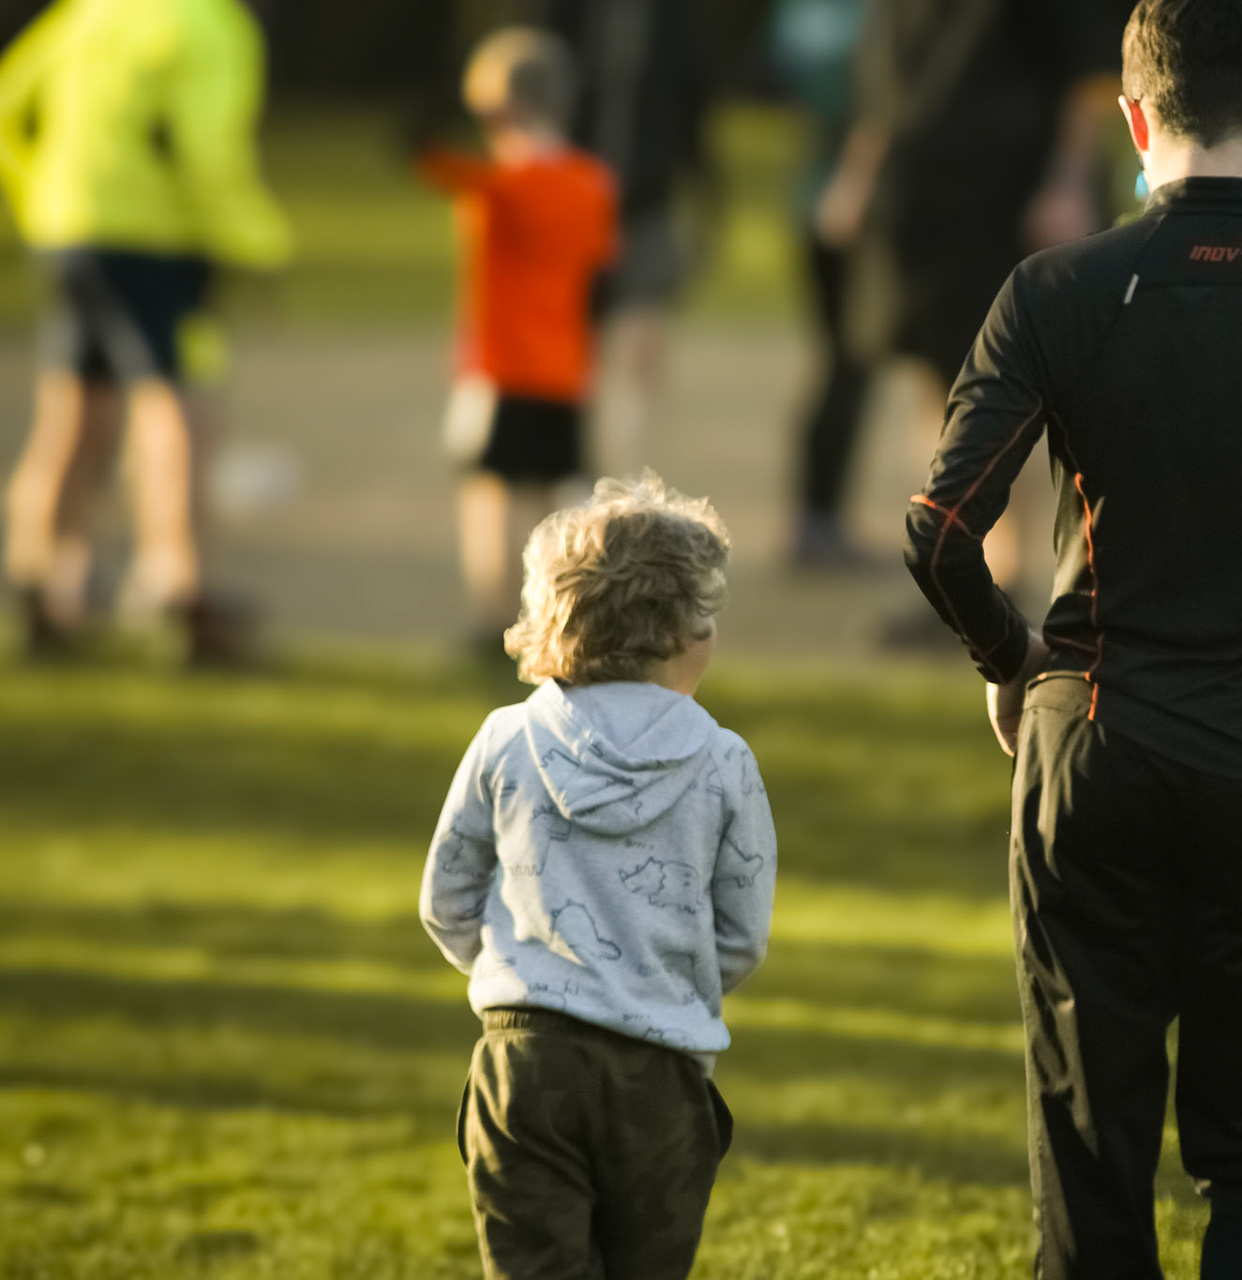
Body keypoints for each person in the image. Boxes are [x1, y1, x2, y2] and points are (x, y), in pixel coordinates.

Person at [903, 1, 1242, 1273]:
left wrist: (1011, 660)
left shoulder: (1057, 290)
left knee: (1091, 1157)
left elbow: (939, 532)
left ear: (1134, 116)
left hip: (1093, 747)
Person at [421, 471, 775, 1280]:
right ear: (680, 634)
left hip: (525, 1063)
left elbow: (445, 900)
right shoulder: (724, 762)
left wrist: (525, 973)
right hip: (661, 1076)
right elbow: (742, 934)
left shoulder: (505, 739)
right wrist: (661, 984)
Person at [0, 0, 292, 663]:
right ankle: (181, 591)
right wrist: (256, 239)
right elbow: (207, 147)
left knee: (76, 408)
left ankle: (42, 581)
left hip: (68, 229)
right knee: (180, 411)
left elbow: (10, 104)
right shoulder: (210, 23)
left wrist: (40, 197)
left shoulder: (90, 12)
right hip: (158, 241)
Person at [823, 0, 1132, 622]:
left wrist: (1066, 181)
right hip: (916, 202)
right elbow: (888, 82)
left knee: (1005, 395)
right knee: (933, 383)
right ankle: (955, 577)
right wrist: (858, 175)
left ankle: (1003, 581)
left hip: (1003, 204)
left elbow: (1079, 75)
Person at [416, 27, 619, 652]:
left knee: (488, 499)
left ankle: (492, 622)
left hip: (500, 368)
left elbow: (423, 155)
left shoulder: (500, 184)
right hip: (565, 367)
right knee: (552, 504)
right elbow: (601, 270)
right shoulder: (593, 182)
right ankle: (557, 624)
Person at [546, 0, 713, 480]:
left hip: (647, 202)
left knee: (641, 349)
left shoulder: (672, 16)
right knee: (571, 353)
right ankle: (574, 474)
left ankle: (630, 486)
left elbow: (693, 100)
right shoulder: (563, 12)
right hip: (568, 204)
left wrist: (697, 186)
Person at [769, 0, 880, 568]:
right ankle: (818, 521)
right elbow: (878, 102)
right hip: (851, 207)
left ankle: (815, 518)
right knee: (849, 364)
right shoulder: (869, 18)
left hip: (815, 198)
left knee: (839, 365)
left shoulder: (801, 16)